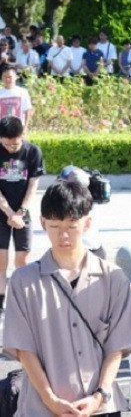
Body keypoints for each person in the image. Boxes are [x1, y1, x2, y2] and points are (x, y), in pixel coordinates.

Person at [4, 180, 131, 416]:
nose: (63, 235)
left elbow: (117, 347)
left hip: (101, 407)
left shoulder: (113, 278)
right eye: (55, 226)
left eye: (72, 226)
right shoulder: (22, 281)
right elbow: (24, 349)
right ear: (42, 223)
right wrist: (50, 399)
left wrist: (100, 396)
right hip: (40, 408)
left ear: (87, 223)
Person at [0, 116, 44, 313]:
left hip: (23, 212)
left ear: (22, 136)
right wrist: (9, 213)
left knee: (22, 261)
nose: (11, 148)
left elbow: (33, 185)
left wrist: (21, 213)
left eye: (15, 144)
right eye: (7, 144)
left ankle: (23, 302)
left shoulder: (33, 152)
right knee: (1, 260)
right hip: (2, 212)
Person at [0, 62, 32, 129]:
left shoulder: (23, 92)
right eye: (5, 77)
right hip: (2, 129)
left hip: (18, 128)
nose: (7, 79)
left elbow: (28, 111)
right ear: (1, 78)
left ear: (16, 77)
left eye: (10, 77)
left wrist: (25, 128)